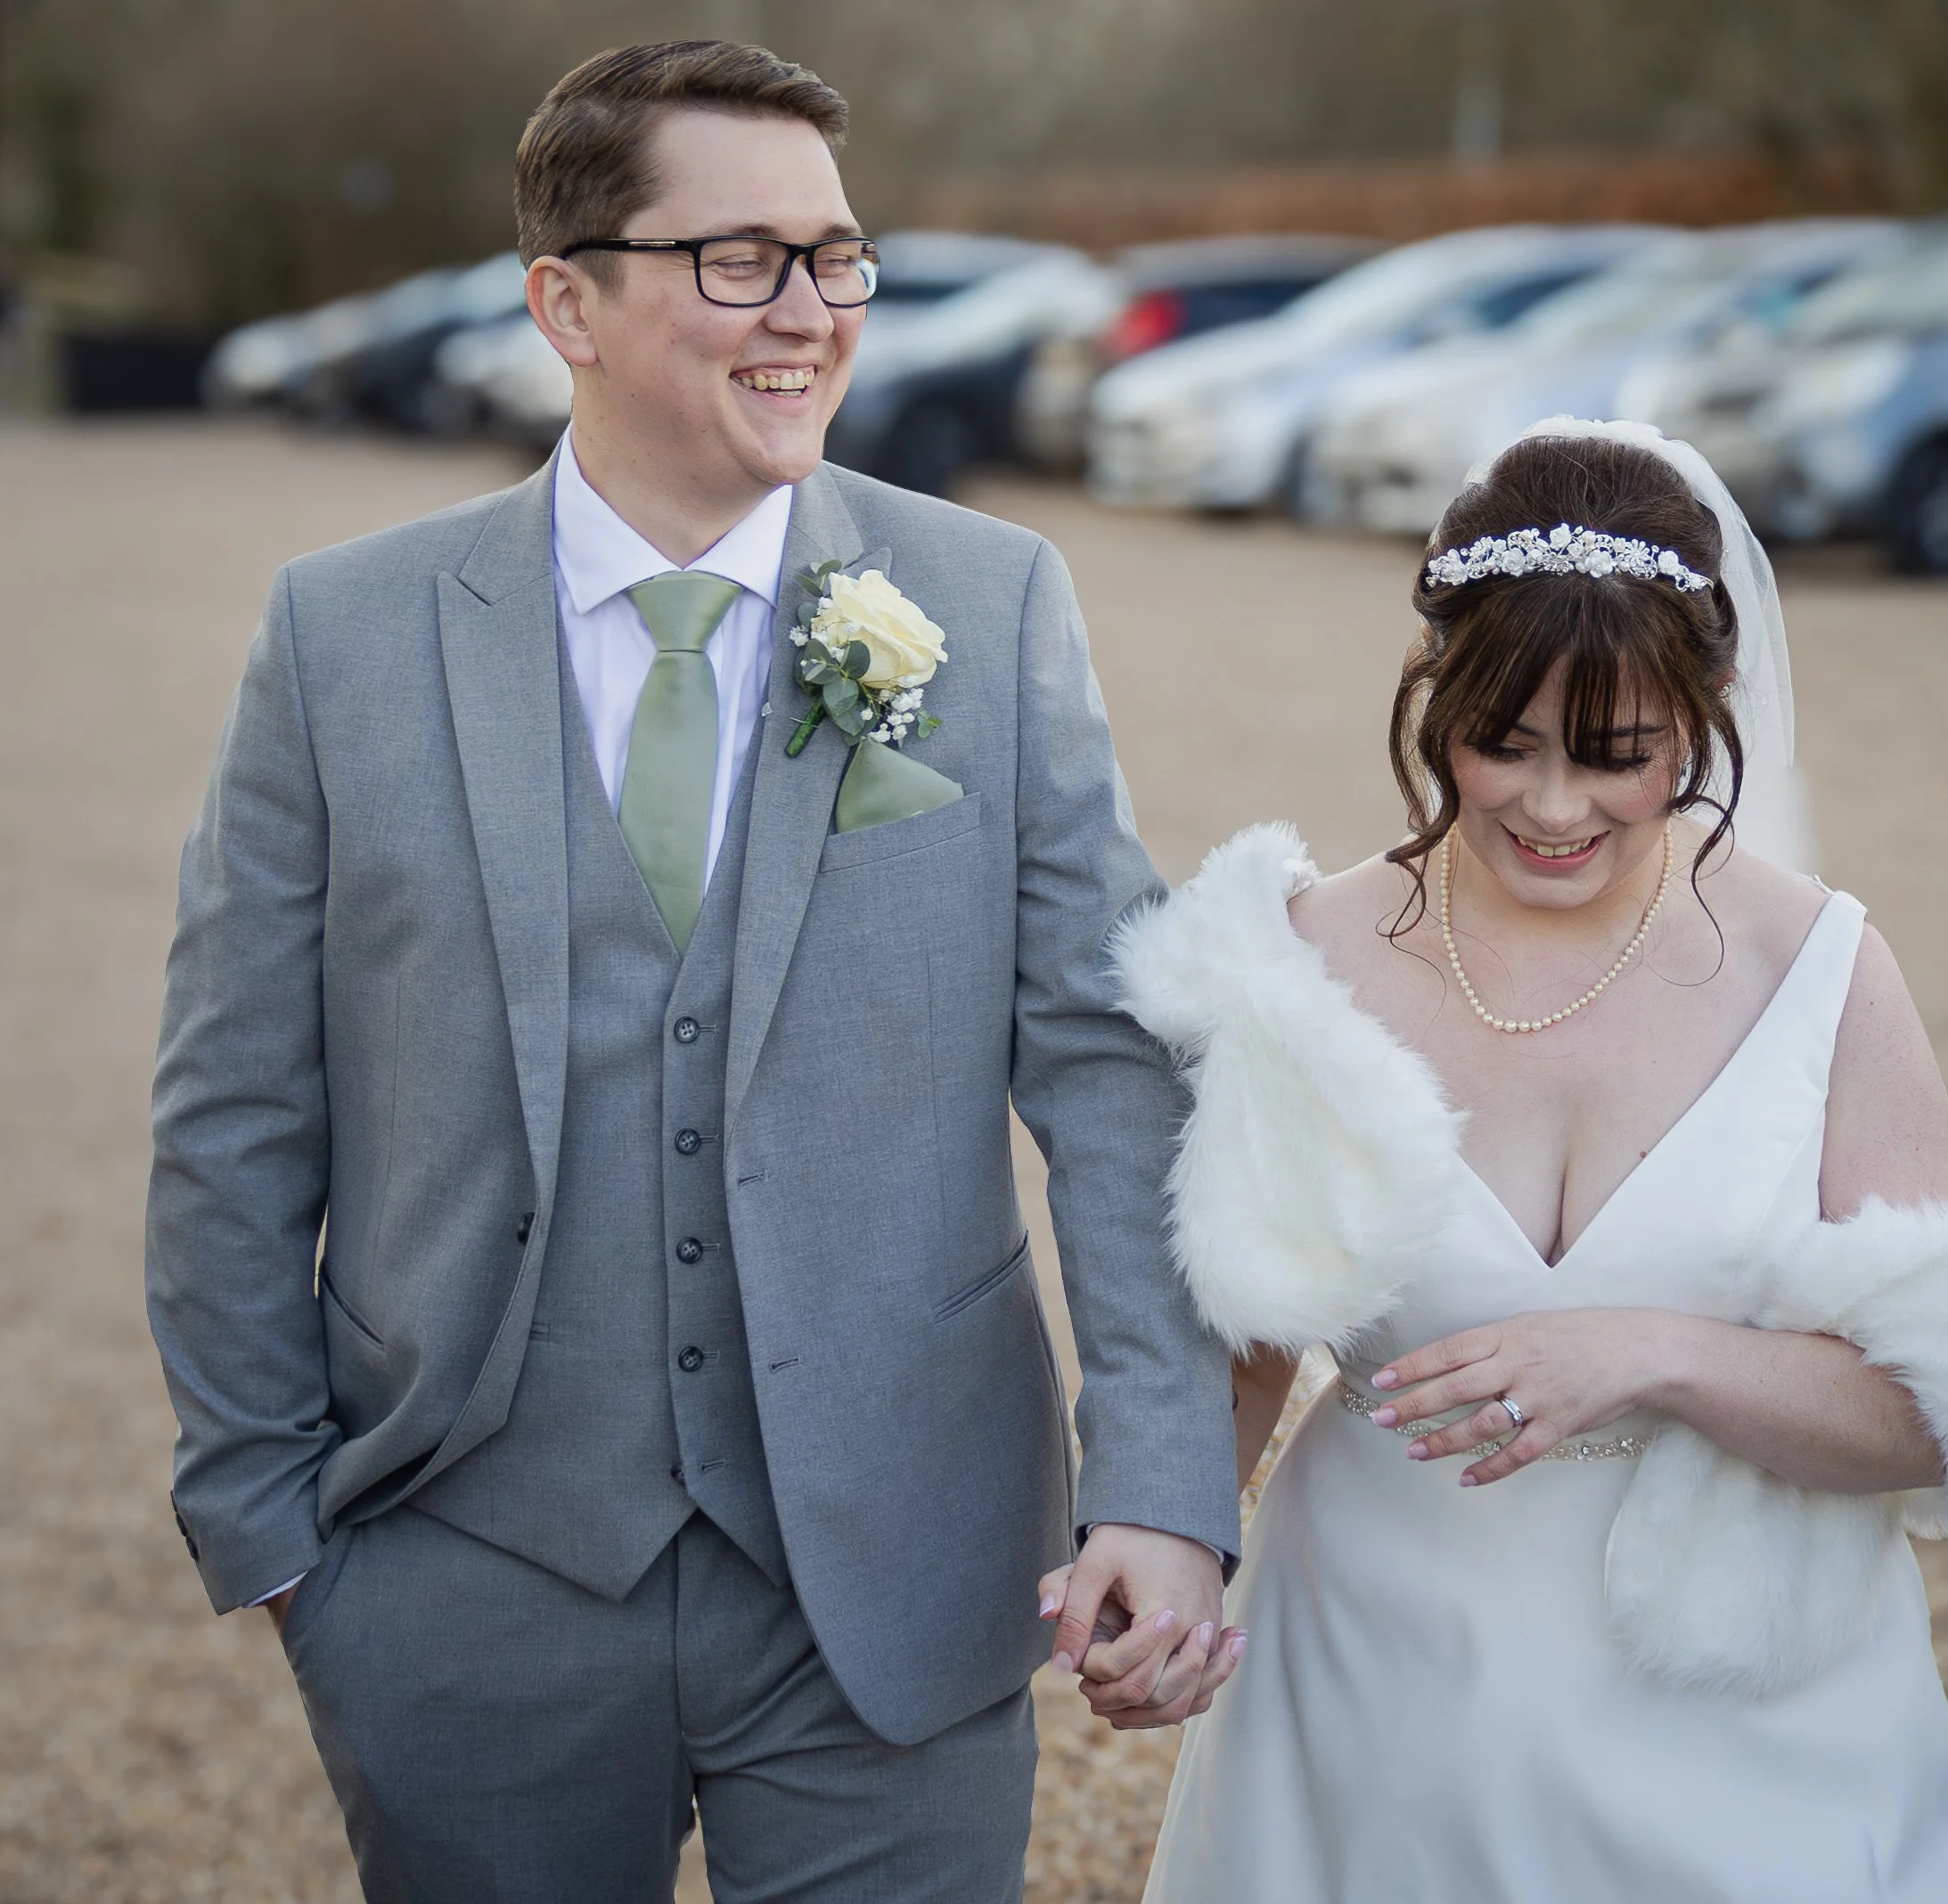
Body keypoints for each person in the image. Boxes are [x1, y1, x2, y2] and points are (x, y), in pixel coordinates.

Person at [144, 40, 1240, 1901]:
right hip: (464, 1592)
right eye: (740, 259)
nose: (810, 311)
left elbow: (1111, 1069)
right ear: (564, 303)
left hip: (898, 1580)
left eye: (837, 254)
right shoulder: (345, 637)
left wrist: (1158, 1480)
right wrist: (275, 1535)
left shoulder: (988, 604)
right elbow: (236, 1110)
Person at [1105, 421, 1948, 1902]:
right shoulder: (1298, 959)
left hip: (1747, 1722)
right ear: (1437, 697)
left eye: (1617, 758)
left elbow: (1941, 1415)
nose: (1554, 810)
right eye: (1504, 746)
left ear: (1701, 717)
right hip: (1374, 1694)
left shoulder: (1820, 968)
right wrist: (1172, 1554)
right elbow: (1240, 1350)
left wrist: (1654, 1355)